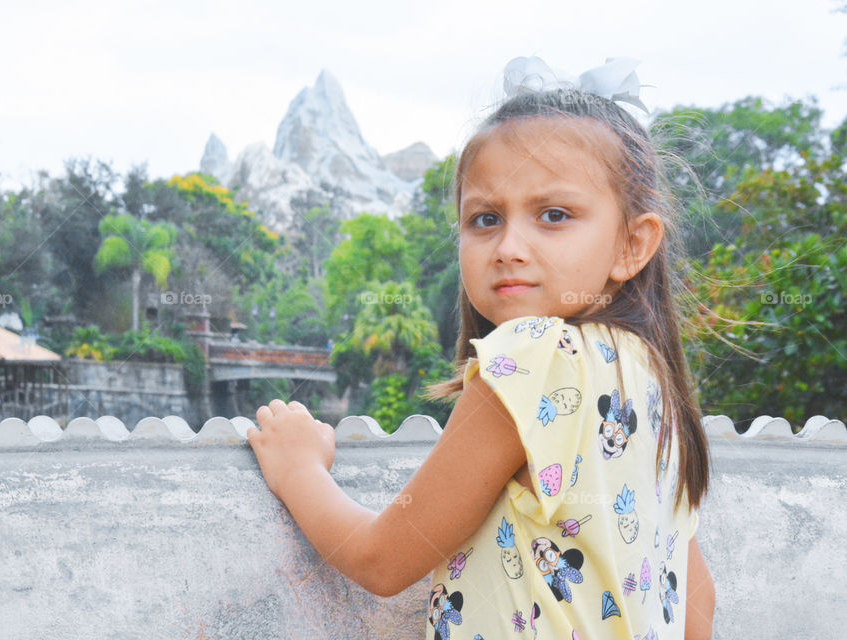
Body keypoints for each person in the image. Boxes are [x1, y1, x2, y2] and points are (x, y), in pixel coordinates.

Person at [245, 56, 715, 640]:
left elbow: (383, 560)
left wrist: (298, 468)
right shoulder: (651, 380)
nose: (509, 246)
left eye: (554, 215)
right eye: (486, 218)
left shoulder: (536, 357)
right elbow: (696, 608)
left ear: (633, 243)